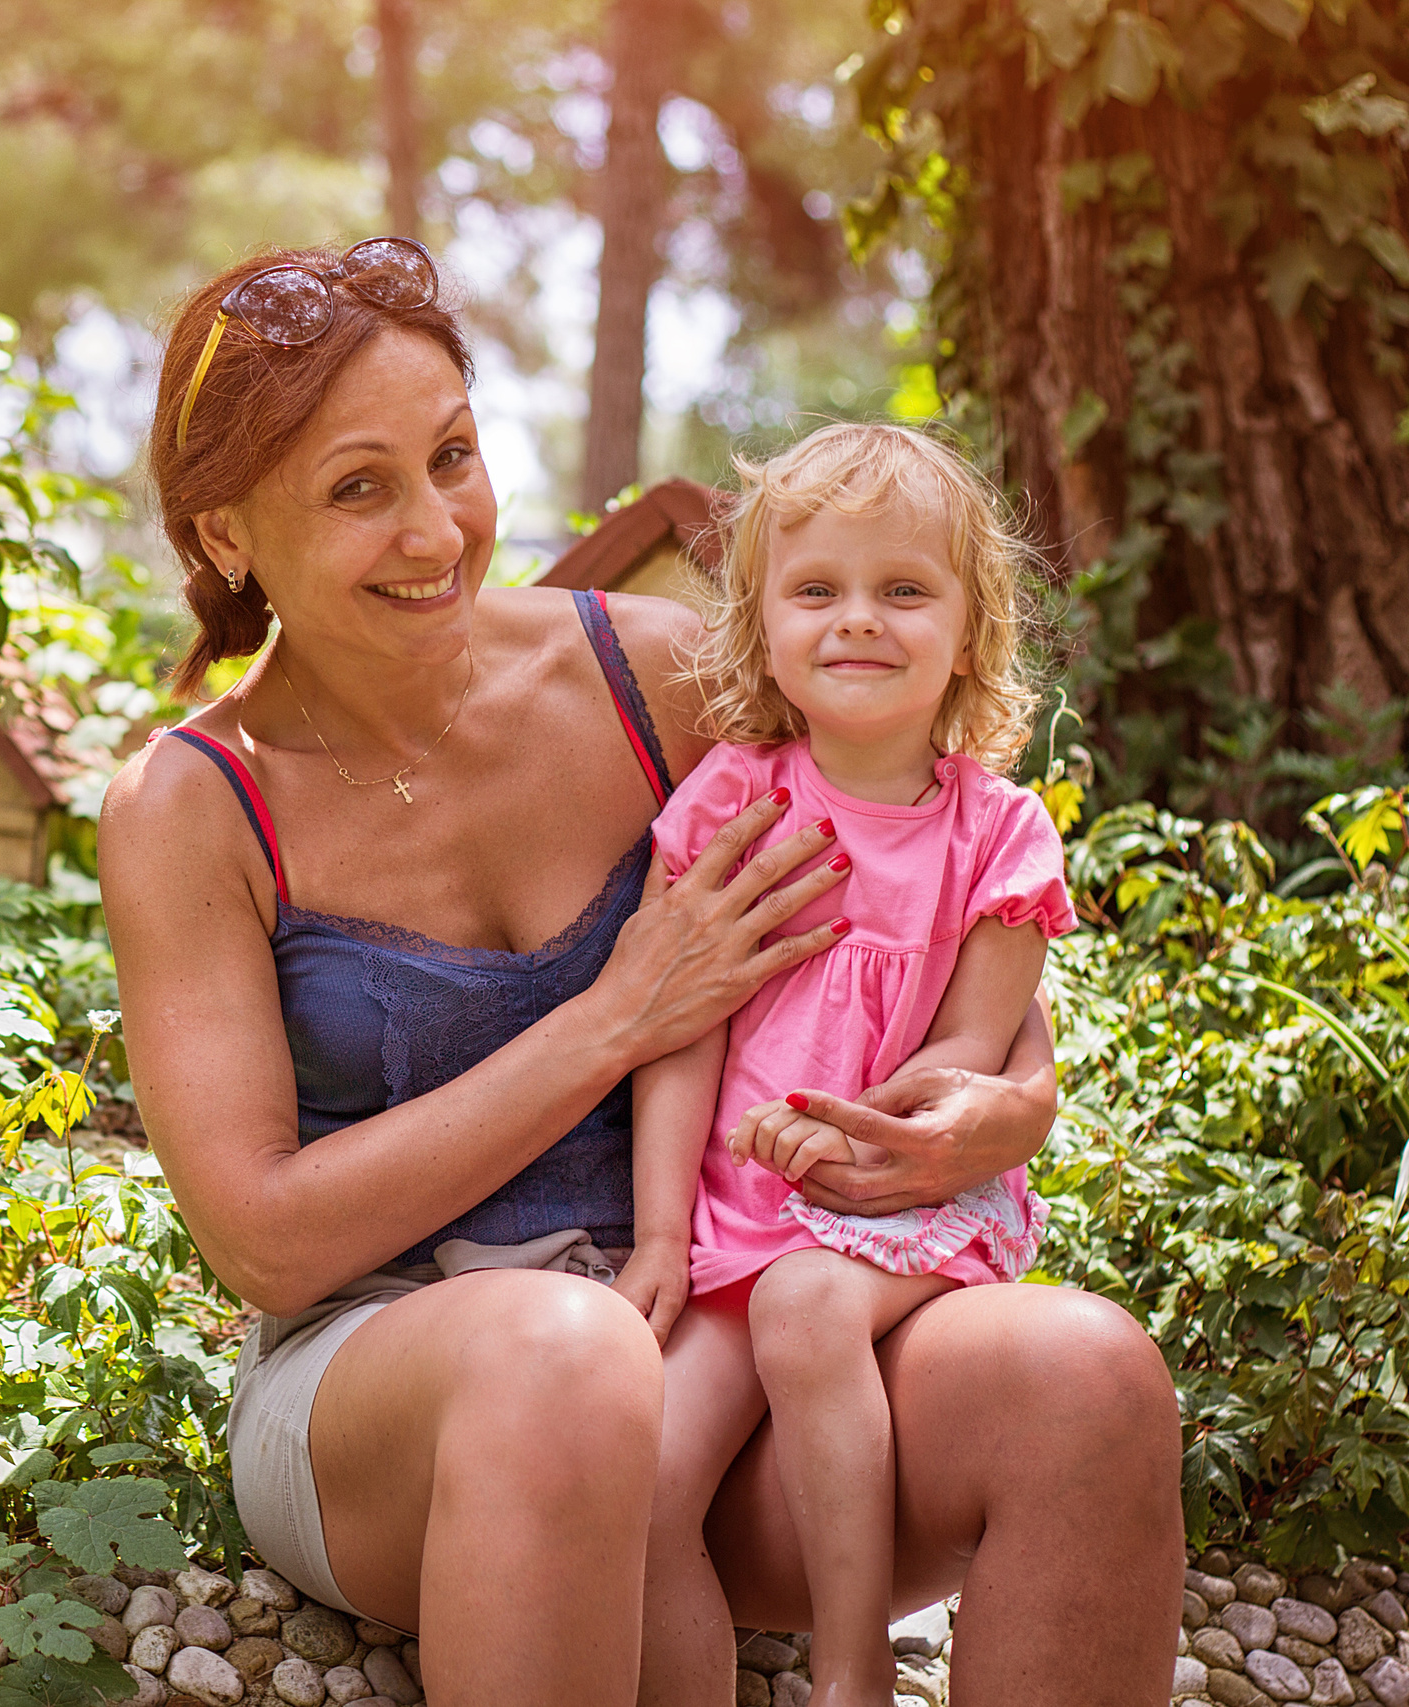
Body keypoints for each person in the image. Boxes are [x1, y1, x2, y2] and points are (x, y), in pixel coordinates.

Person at [97, 237, 1182, 1707]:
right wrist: (618, 1017)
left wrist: (1010, 1105)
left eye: (454, 457)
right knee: (570, 1356)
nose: (438, 531)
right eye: (360, 487)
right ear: (225, 531)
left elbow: (927, 915)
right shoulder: (190, 806)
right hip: (400, 1397)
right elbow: (268, 1243)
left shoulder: (654, 675)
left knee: (1087, 1370)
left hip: (729, 1318)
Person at [627, 423, 1076, 1707]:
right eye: (815, 590)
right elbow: (679, 1031)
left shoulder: (997, 831)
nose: (856, 621)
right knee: (639, 1471)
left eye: (903, 590)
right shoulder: (730, 801)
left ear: (968, 627)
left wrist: (841, 1133)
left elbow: (968, 1052)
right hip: (731, 1217)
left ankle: (853, 1673)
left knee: (809, 1307)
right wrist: (663, 1234)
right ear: (760, 623)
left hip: (901, 1202)